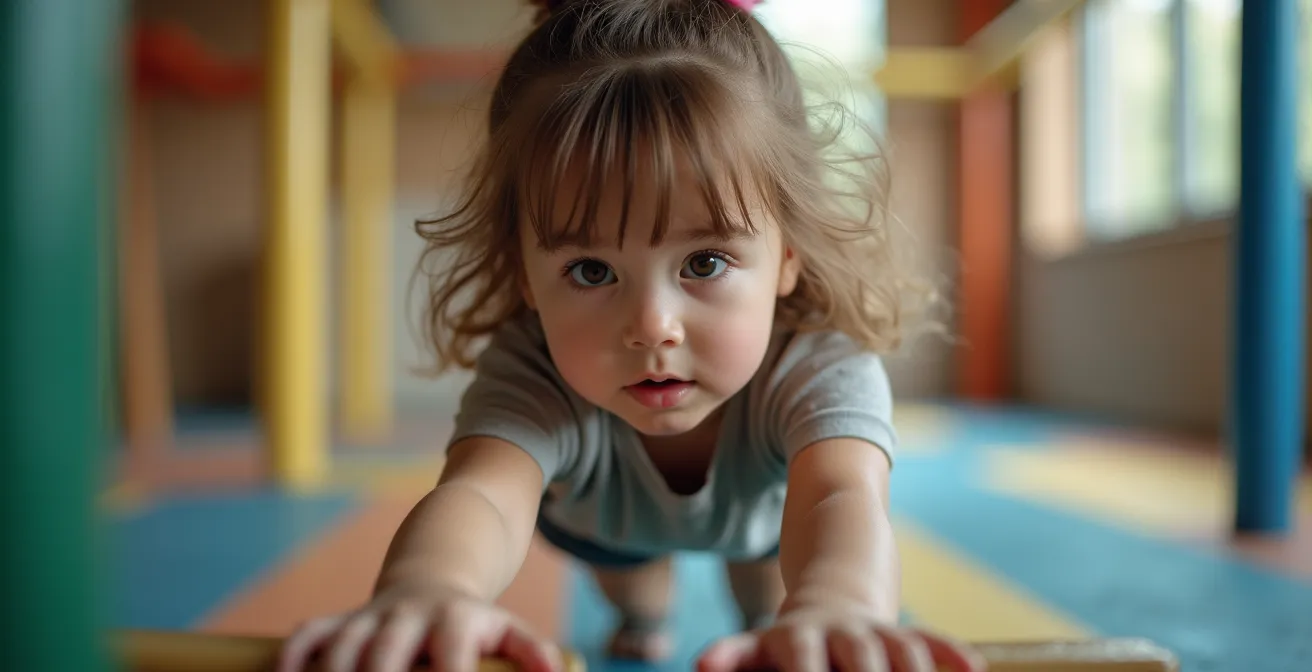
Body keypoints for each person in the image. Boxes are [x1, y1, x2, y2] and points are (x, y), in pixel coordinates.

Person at [279, 1, 983, 671]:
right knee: (634, 588)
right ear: (525, 275)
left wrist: (843, 605)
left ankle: (764, 606)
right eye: (591, 270)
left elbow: (838, 497)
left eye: (704, 263)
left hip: (770, 521)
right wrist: (429, 588)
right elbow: (483, 494)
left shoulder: (819, 362)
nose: (651, 326)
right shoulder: (532, 369)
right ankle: (643, 612)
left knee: (779, 604)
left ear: (787, 258)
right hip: (609, 523)